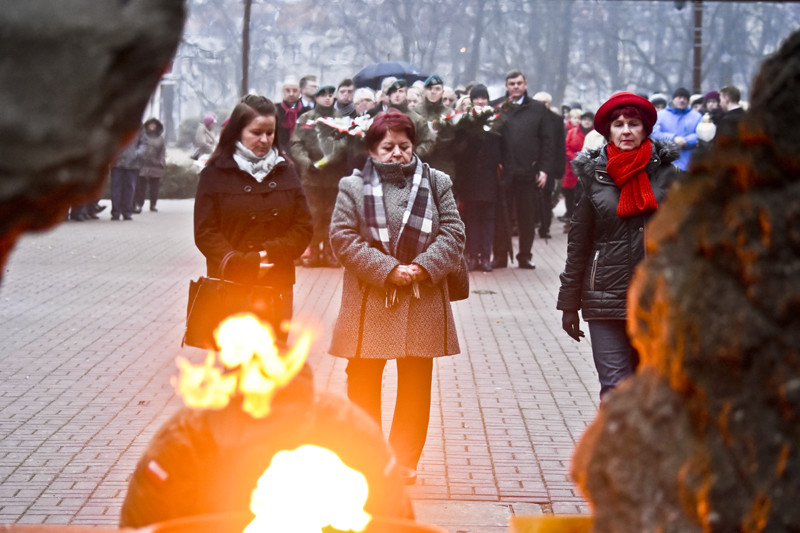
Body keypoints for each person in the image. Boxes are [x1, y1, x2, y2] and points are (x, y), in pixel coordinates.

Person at [328, 109, 465, 484]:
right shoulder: (353, 187)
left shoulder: (437, 182)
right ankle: (367, 457)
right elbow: (342, 238)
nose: (397, 153)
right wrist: (388, 270)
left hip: (422, 295)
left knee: (415, 381)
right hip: (370, 297)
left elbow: (453, 234)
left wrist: (421, 267)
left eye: (404, 146)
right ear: (372, 149)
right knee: (363, 378)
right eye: (388, 146)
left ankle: (404, 461)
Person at [557, 92, 679, 399]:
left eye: (634, 124)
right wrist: (569, 303)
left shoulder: (670, 177)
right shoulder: (593, 178)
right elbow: (579, 244)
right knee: (615, 391)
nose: (626, 130)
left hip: (656, 299)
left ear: (645, 130)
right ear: (608, 132)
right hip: (605, 298)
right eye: (619, 124)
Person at [194, 94, 313, 345]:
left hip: (276, 286)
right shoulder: (214, 174)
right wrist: (240, 261)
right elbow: (205, 231)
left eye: (270, 133)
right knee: (234, 368)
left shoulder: (286, 171)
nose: (265, 140)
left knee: (274, 365)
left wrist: (268, 255)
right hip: (230, 283)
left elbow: (303, 227)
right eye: (256, 132)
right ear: (238, 132)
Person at [492, 69, 555, 269]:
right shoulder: (498, 107)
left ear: (525, 84)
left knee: (527, 216)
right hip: (504, 171)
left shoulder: (538, 109)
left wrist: (544, 169)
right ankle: (500, 255)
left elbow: (547, 142)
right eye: (512, 84)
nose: (516, 87)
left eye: (519, 83)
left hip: (529, 171)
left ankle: (525, 255)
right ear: (506, 86)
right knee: (501, 216)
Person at [289, 85, 348, 268]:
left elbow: (343, 144)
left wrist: (326, 161)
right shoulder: (306, 119)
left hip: (332, 176)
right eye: (324, 96)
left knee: (331, 215)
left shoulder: (340, 120)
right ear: (316, 98)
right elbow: (296, 144)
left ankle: (330, 254)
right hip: (311, 178)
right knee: (313, 215)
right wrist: (307, 163)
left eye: (331, 95)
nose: (328, 99)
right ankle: (313, 252)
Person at [451, 84, 502, 272]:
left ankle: (486, 257)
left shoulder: (495, 121)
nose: (480, 101)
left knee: (488, 219)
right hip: (470, 179)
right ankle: (473, 256)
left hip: (489, 179)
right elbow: (458, 152)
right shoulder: (465, 122)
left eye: (483, 98)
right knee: (472, 220)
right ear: (471, 101)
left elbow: (502, 149)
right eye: (476, 98)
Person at [532, 91, 566, 240]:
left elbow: (560, 145)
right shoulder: (530, 119)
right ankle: (531, 225)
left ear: (549, 104)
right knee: (530, 198)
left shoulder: (556, 120)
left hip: (549, 165)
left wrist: (559, 168)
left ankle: (545, 228)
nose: (542, 105)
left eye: (544, 102)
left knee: (546, 197)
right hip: (531, 164)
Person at [650, 87, 702, 171]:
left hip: (689, 162)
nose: (682, 100)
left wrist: (686, 141)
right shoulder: (660, 115)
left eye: (685, 98)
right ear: (673, 99)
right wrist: (673, 138)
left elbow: (700, 134)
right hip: (665, 164)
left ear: (688, 101)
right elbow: (655, 133)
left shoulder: (697, 116)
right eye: (679, 97)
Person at [562, 111, 594, 231]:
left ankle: (582, 222)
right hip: (572, 169)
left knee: (583, 197)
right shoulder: (572, 132)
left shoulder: (596, 134)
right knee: (570, 196)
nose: (586, 121)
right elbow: (566, 147)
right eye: (584, 119)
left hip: (587, 171)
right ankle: (569, 220)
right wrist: (576, 158)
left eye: (589, 119)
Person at [110, 125, 145, 221]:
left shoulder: (139, 126)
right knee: (115, 188)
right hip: (117, 162)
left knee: (130, 188)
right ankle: (115, 212)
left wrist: (137, 153)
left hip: (133, 163)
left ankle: (127, 212)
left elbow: (144, 143)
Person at [134, 118, 166, 213]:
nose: (152, 126)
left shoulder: (160, 139)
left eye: (154, 125)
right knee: (141, 187)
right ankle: (139, 204)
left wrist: (161, 162)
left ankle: (153, 205)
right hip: (143, 164)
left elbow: (162, 152)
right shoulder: (143, 137)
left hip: (156, 165)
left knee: (154, 188)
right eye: (150, 124)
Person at [276, 77, 306, 154]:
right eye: (287, 90)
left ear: (300, 92)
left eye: (295, 90)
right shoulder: (275, 109)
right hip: (278, 150)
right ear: (282, 92)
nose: (291, 94)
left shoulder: (306, 111)